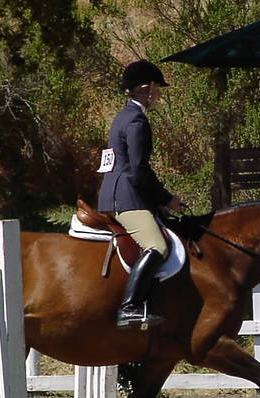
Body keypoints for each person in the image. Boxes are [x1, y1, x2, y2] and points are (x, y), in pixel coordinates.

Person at [97, 59, 182, 328]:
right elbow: (138, 170)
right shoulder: (136, 121)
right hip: (127, 198)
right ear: (147, 89)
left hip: (115, 194)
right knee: (157, 246)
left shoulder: (122, 116)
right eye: (158, 89)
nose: (159, 95)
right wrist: (166, 198)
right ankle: (130, 307)